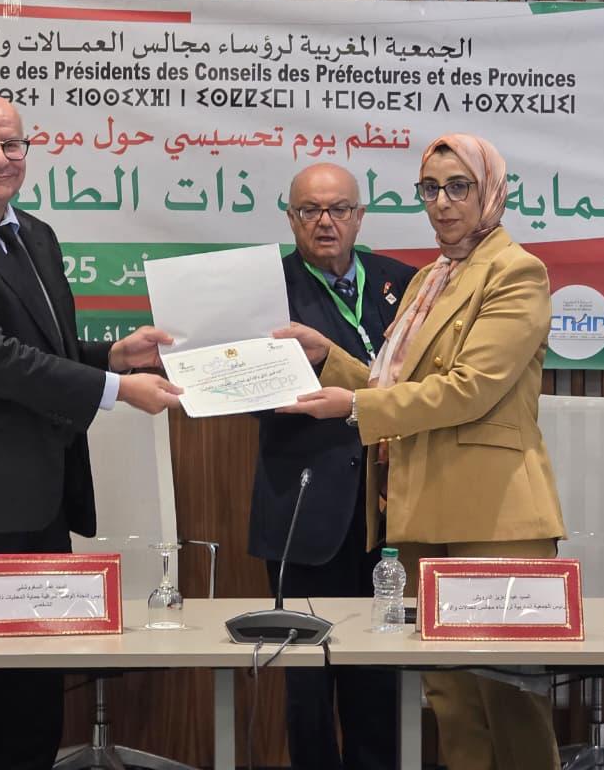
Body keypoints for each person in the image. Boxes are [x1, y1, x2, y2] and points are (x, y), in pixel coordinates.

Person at [0, 92, 181, 770]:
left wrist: (111, 356)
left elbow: (40, 348)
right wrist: (115, 391)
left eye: (12, 144)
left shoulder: (35, 234)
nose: (0, 158)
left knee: (31, 705)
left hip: (39, 503)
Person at [277, 134, 566, 770]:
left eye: (459, 187)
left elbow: (470, 389)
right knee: (451, 702)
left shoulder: (516, 271)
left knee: (510, 700)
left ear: (491, 191)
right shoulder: (430, 280)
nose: (442, 202)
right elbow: (398, 386)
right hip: (422, 511)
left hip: (494, 517)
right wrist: (332, 359)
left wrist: (355, 406)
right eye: (430, 189)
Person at [250, 163, 414, 770]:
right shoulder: (266, 291)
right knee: (307, 682)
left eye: (339, 209)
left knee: (380, 673)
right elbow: (249, 391)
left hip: (391, 509)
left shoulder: (405, 283)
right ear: (290, 218)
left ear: (359, 216)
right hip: (304, 505)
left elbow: (423, 388)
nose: (326, 222)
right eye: (310, 210)